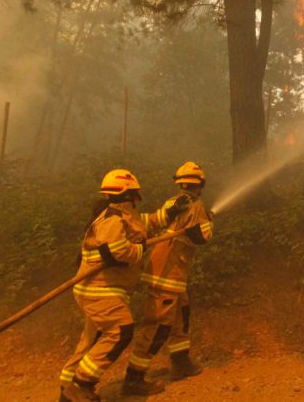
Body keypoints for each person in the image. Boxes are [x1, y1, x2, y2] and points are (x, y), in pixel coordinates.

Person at [59, 169, 189, 402]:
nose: (137, 198)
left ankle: (67, 386)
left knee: (92, 339)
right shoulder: (112, 220)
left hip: (98, 289)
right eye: (135, 194)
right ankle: (80, 385)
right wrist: (140, 249)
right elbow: (117, 252)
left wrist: (169, 213)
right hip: (100, 290)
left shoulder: (123, 216)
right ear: (129, 195)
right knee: (120, 330)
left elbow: (144, 224)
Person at [122, 161, 214, 396]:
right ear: (200, 185)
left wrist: (204, 220)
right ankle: (134, 377)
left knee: (180, 317)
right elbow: (203, 236)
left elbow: (168, 224)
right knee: (158, 325)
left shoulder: (174, 202)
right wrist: (207, 223)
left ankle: (181, 362)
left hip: (171, 272)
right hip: (167, 273)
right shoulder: (194, 205)